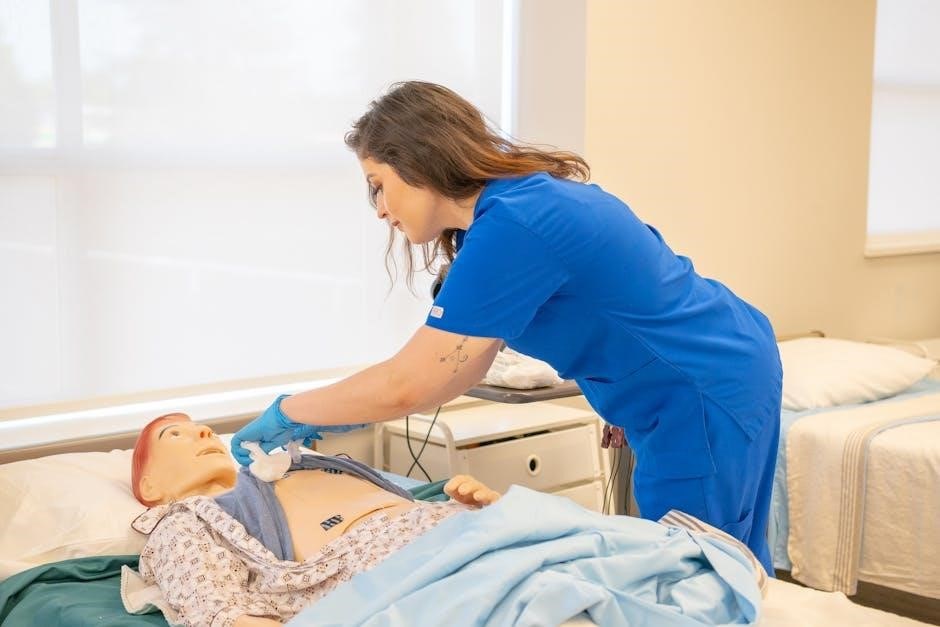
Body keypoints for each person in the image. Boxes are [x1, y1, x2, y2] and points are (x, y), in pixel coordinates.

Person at [231, 80, 783, 574]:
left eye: (377, 184)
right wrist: (620, 396)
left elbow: (411, 382)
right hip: (712, 361)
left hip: (699, 386)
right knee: (722, 556)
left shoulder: (517, 224)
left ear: (417, 161)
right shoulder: (511, 211)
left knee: (701, 573)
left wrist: (291, 412)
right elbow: (456, 374)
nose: (377, 208)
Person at [129, 412, 498, 627]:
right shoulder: (185, 522)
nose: (203, 432)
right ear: (150, 485)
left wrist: (480, 507)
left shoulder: (308, 465)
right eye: (174, 435)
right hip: (417, 578)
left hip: (479, 534)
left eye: (202, 428)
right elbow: (221, 613)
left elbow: (408, 507)